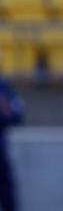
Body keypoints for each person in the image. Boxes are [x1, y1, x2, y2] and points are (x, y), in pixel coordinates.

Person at [0, 65, 24, 211]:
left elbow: (18, 114)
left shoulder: (3, 86)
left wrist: (5, 110)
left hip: (1, 155)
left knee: (9, 200)